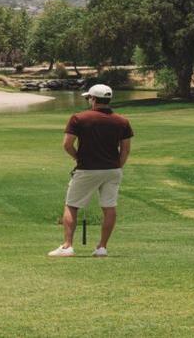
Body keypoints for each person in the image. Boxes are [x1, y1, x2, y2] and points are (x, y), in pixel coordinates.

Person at [48, 83, 133, 258]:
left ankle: (67, 246)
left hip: (87, 169)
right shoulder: (122, 121)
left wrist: (78, 157)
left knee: (72, 205)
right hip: (113, 170)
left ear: (93, 99)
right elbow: (125, 150)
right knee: (109, 206)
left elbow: (67, 144)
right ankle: (102, 247)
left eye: (89, 98)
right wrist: (118, 166)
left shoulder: (79, 118)